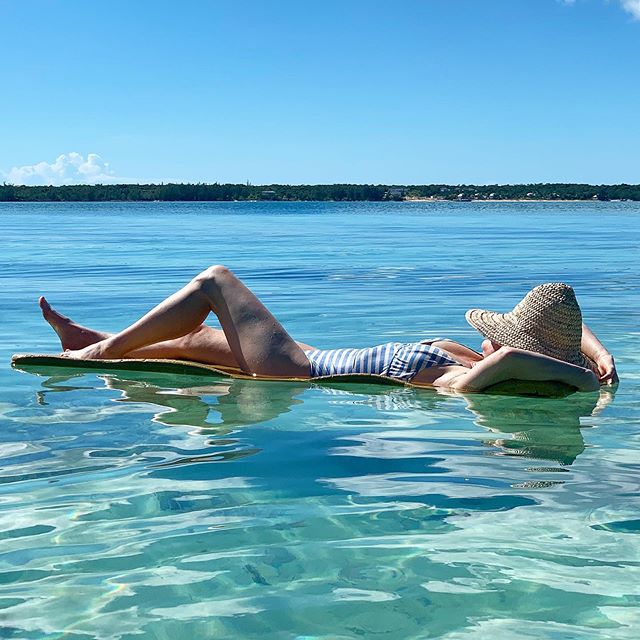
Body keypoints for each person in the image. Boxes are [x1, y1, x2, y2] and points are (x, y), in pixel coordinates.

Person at [39, 265, 617, 392]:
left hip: (297, 366)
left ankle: (100, 353)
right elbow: (560, 343)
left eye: (504, 333)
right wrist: (599, 354)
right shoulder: (464, 358)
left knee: (216, 281)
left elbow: (513, 361)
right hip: (308, 352)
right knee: (196, 344)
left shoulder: (464, 380)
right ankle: (91, 340)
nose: (491, 339)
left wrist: (582, 376)